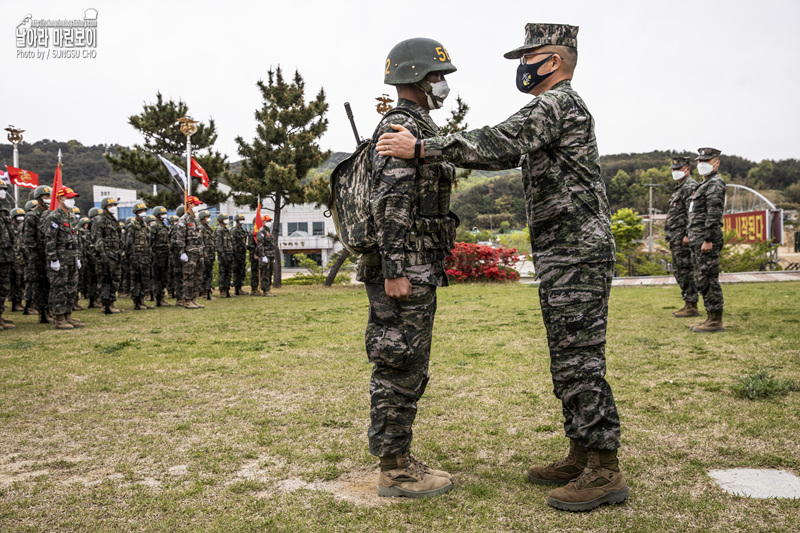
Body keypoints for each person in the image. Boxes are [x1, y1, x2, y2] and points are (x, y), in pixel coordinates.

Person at [378, 24, 629, 510]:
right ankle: (581, 453)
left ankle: (605, 468)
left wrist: (423, 148)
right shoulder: (558, 107)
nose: (522, 66)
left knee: (580, 360)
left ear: (553, 61)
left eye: (528, 56)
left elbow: (500, 142)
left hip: (577, 252)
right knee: (568, 357)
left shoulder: (557, 104)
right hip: (565, 252)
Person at [354, 37, 463, 499]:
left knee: (406, 362)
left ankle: (398, 458)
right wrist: (395, 268)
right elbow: (392, 202)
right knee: (399, 362)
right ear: (417, 79)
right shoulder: (402, 126)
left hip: (413, 265)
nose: (443, 85)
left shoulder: (414, 127)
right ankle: (395, 470)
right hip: (405, 270)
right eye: (438, 77)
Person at [688, 147, 726, 333]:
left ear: (716, 163)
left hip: (706, 240)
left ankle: (715, 320)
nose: (701, 165)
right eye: (700, 161)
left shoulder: (715, 184)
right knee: (702, 278)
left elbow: (714, 213)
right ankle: (710, 317)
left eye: (706, 161)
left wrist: (708, 238)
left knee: (709, 278)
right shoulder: (704, 184)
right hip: (698, 239)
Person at [43, 187, 84, 329]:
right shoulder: (54, 217)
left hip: (71, 258)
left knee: (71, 289)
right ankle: (59, 318)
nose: (72, 200)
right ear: (60, 198)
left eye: (73, 197)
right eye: (69, 197)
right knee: (59, 289)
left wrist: (77, 256)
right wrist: (53, 259)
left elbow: (74, 238)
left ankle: (68, 315)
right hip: (60, 259)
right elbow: (50, 240)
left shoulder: (72, 216)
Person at [665, 156, 700, 317]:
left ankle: (692, 305)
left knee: (685, 270)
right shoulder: (680, 188)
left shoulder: (690, 187)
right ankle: (688, 303)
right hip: (676, 237)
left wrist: (687, 234)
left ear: (687, 169)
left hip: (683, 239)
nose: (675, 172)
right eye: (673, 169)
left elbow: (692, 213)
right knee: (680, 270)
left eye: (678, 169)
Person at [22, 185, 53, 323]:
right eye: (46, 196)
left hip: (49, 255)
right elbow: (28, 239)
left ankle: (49, 310)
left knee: (49, 284)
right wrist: (35, 257)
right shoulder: (31, 215)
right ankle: (42, 313)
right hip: (38, 257)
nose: (48, 199)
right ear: (39, 197)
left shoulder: (51, 214)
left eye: (49, 196)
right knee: (39, 285)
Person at [92, 197, 125, 314]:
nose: (114, 208)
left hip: (115, 255)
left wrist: (121, 250)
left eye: (115, 205)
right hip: (105, 256)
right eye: (111, 206)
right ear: (105, 207)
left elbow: (119, 237)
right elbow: (98, 239)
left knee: (115, 280)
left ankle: (111, 303)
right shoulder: (99, 220)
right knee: (105, 280)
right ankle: (104, 304)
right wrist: (102, 255)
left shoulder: (113, 220)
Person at [176, 196, 205, 309]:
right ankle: (187, 300)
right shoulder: (184, 219)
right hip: (189, 253)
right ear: (189, 205)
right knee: (189, 277)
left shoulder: (196, 220)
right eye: (196, 205)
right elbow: (180, 238)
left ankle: (194, 299)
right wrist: (182, 252)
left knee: (197, 277)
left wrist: (202, 251)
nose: (198, 207)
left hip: (198, 253)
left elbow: (200, 237)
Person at [126, 202, 153, 310]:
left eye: (144, 211)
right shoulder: (132, 225)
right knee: (136, 280)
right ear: (136, 213)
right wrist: (130, 255)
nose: (143, 213)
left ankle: (142, 301)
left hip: (145, 257)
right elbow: (128, 242)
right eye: (141, 211)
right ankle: (136, 302)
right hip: (136, 257)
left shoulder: (145, 226)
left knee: (144, 280)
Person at [0, 182, 16, 330]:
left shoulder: (4, 212)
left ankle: (0, 315)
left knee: (4, 287)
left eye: (4, 189)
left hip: (5, 256)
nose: (2, 192)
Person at [150, 206, 172, 307]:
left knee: (164, 277)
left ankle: (162, 298)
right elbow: (151, 241)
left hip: (165, 254)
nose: (164, 215)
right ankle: (158, 299)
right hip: (158, 255)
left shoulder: (164, 225)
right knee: (157, 277)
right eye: (162, 214)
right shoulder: (154, 226)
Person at [254, 215, 277, 297]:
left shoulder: (268, 231)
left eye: (270, 221)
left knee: (270, 272)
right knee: (265, 273)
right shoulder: (261, 231)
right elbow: (260, 245)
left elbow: (272, 244)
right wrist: (263, 256)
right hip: (265, 255)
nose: (269, 223)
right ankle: (265, 290)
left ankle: (268, 289)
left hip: (270, 255)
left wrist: (273, 256)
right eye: (267, 221)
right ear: (263, 222)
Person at [9, 207, 26, 313]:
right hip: (12, 258)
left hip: (21, 258)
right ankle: (15, 303)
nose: (20, 218)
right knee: (16, 281)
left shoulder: (22, 228)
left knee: (21, 281)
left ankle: (19, 302)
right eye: (17, 217)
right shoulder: (10, 228)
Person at [215, 213, 234, 298]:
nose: (227, 219)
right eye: (225, 218)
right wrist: (222, 254)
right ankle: (222, 290)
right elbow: (218, 244)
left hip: (229, 254)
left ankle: (227, 289)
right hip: (223, 255)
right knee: (222, 272)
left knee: (228, 272)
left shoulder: (227, 230)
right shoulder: (219, 230)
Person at [198, 210, 216, 300]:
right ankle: (203, 293)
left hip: (211, 254)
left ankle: (208, 291)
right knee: (203, 274)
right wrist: (204, 253)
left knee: (209, 273)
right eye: (207, 217)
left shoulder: (208, 229)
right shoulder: (200, 229)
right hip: (204, 254)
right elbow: (200, 242)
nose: (208, 219)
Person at [230, 214, 249, 295]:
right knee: (237, 271)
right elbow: (233, 243)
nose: (242, 221)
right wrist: (235, 254)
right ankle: (237, 289)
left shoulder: (242, 230)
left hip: (242, 254)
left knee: (242, 271)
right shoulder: (234, 230)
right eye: (241, 219)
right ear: (237, 220)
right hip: (236, 254)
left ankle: (240, 288)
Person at [169, 208, 185, 305]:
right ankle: (179, 298)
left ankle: (186, 297)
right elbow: (174, 243)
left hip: (186, 255)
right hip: (178, 256)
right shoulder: (177, 226)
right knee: (179, 277)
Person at [247, 219, 261, 296]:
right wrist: (255, 254)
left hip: (260, 255)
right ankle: (254, 289)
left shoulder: (261, 231)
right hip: (254, 255)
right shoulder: (253, 232)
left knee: (260, 272)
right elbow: (251, 245)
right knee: (255, 272)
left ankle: (259, 287)